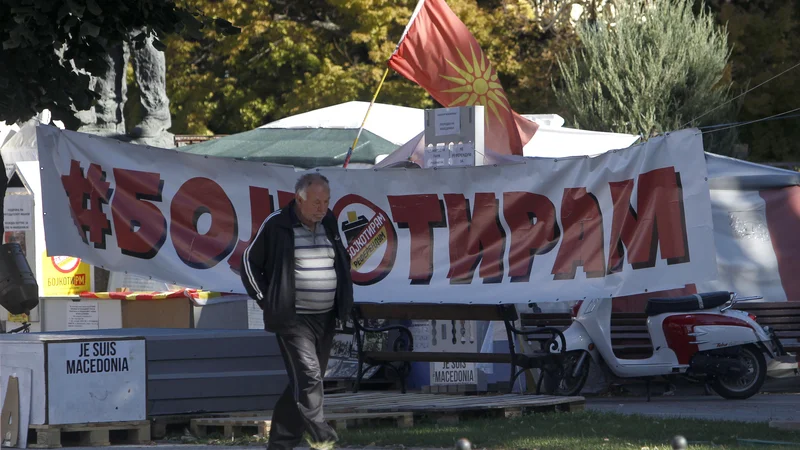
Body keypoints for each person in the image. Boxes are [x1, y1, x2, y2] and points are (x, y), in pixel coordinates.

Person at [240, 173, 353, 450]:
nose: (322, 208)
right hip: (292, 319)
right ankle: (322, 434)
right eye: (316, 202)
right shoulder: (277, 224)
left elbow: (341, 261)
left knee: (303, 384)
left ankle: (280, 444)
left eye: (326, 201)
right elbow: (248, 263)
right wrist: (267, 300)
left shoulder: (329, 222)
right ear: (299, 199)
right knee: (309, 376)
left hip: (325, 318)